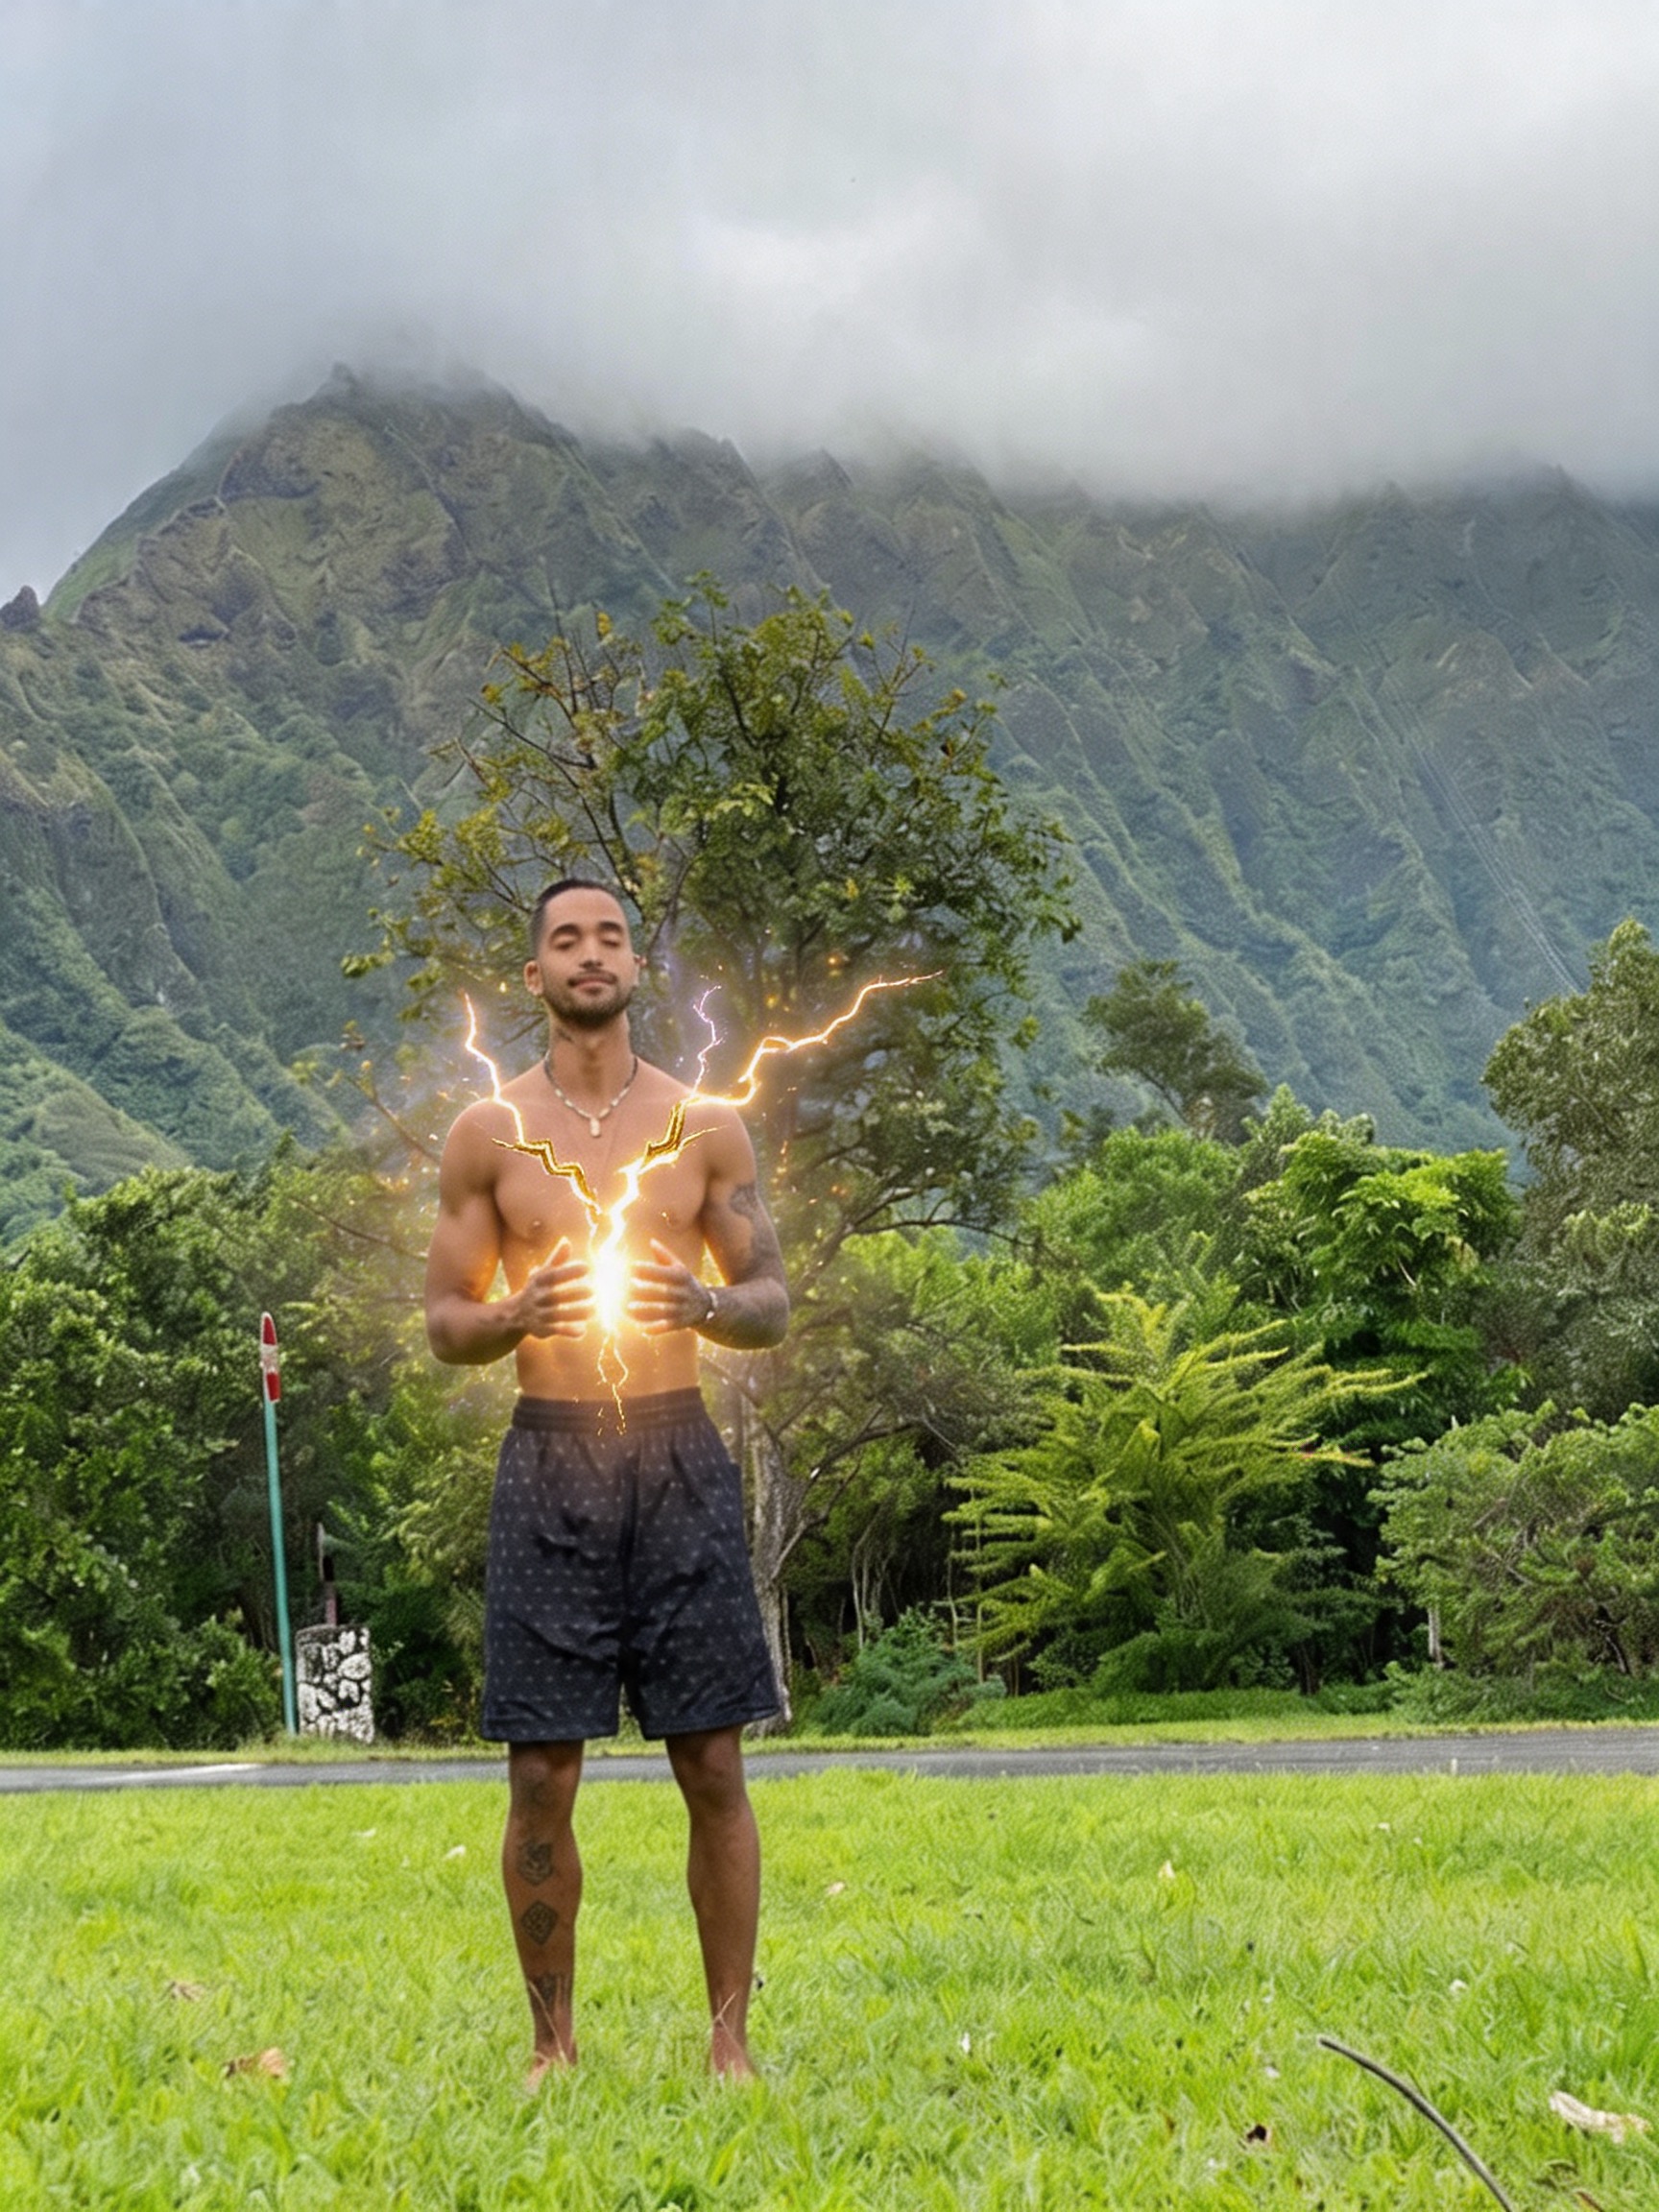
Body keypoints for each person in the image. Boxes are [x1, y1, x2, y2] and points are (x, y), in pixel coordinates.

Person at [424, 878, 789, 2083]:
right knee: (540, 1770)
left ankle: (728, 2040)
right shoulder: (487, 1135)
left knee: (714, 1762)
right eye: (566, 941)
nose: (592, 955)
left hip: (678, 1454)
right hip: (549, 1459)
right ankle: (552, 2045)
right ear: (533, 977)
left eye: (612, 937)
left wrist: (710, 1304)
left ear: (639, 966)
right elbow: (441, 1322)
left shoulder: (707, 1126)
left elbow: (772, 1301)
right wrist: (512, 1311)